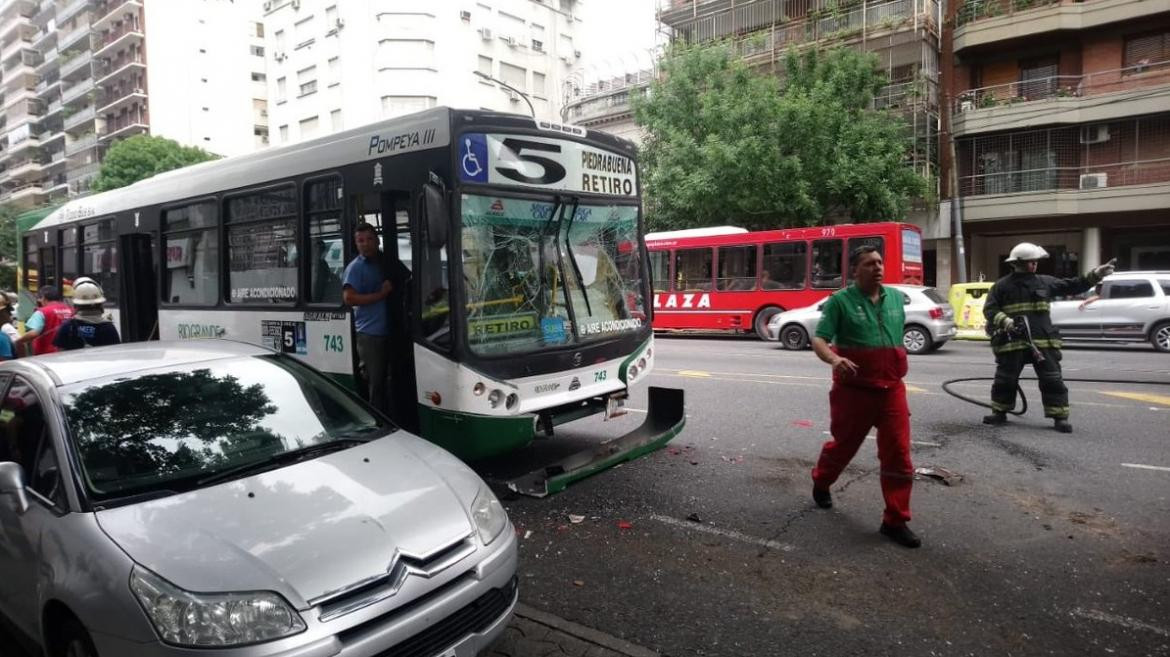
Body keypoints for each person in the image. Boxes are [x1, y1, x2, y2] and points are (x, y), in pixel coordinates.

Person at [809, 245, 920, 548]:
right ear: (854, 271)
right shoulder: (839, 302)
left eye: (880, 262)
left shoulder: (896, 298)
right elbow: (819, 339)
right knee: (843, 446)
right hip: (854, 391)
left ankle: (895, 520)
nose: (878, 268)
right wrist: (834, 360)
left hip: (892, 389)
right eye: (869, 264)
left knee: (898, 453)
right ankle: (822, 480)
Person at [982, 243, 1115, 433]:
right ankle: (999, 412)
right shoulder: (1001, 286)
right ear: (1017, 263)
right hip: (1012, 341)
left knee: (1052, 379)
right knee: (1005, 379)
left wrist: (1096, 274)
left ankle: (1059, 417)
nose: (1034, 265)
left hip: (1043, 341)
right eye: (1030, 262)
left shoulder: (1045, 282)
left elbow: (1073, 285)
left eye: (1035, 262)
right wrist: (1006, 322)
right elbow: (990, 310)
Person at [342, 223, 393, 415]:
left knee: (390, 381)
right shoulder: (355, 268)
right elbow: (349, 298)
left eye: (369, 239)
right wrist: (380, 295)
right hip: (370, 335)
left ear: (377, 240)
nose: (365, 244)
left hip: (390, 330)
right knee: (376, 383)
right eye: (360, 241)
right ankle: (379, 422)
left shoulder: (384, 262)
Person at [53, 279, 121, 350]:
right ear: (100, 305)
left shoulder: (68, 326)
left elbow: (59, 351)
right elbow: (115, 352)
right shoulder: (108, 327)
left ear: (76, 305)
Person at [13, 286, 74, 356]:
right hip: (69, 354)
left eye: (40, 298)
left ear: (44, 298)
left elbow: (34, 333)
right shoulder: (71, 310)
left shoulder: (42, 312)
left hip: (47, 356)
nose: (40, 301)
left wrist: (18, 341)